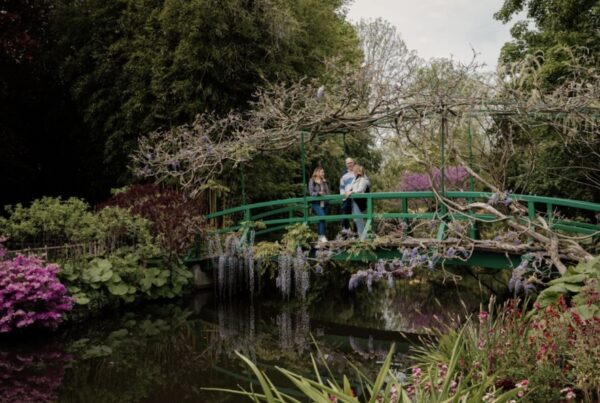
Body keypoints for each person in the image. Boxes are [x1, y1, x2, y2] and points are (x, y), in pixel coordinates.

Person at [344, 164, 370, 236]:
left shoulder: (363, 179)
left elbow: (360, 190)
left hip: (359, 201)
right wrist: (349, 191)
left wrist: (351, 191)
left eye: (354, 171)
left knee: (359, 219)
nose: (354, 173)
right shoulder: (355, 179)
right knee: (356, 219)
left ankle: (363, 237)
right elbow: (351, 187)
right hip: (354, 201)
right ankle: (361, 235)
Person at [308, 167, 330, 242]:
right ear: (317, 173)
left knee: (322, 220)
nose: (323, 174)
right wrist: (318, 193)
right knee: (322, 217)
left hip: (324, 203)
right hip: (316, 203)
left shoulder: (324, 181)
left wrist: (325, 183)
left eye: (323, 172)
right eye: (322, 172)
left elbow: (328, 193)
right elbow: (311, 193)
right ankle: (321, 235)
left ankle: (321, 236)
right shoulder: (312, 180)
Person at [339, 158, 355, 230]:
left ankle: (356, 233)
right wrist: (343, 197)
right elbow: (342, 187)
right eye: (348, 163)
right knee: (345, 213)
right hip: (346, 197)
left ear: (353, 163)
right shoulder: (344, 174)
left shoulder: (357, 172)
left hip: (356, 197)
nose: (350, 164)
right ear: (346, 164)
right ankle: (345, 230)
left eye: (351, 162)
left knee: (356, 214)